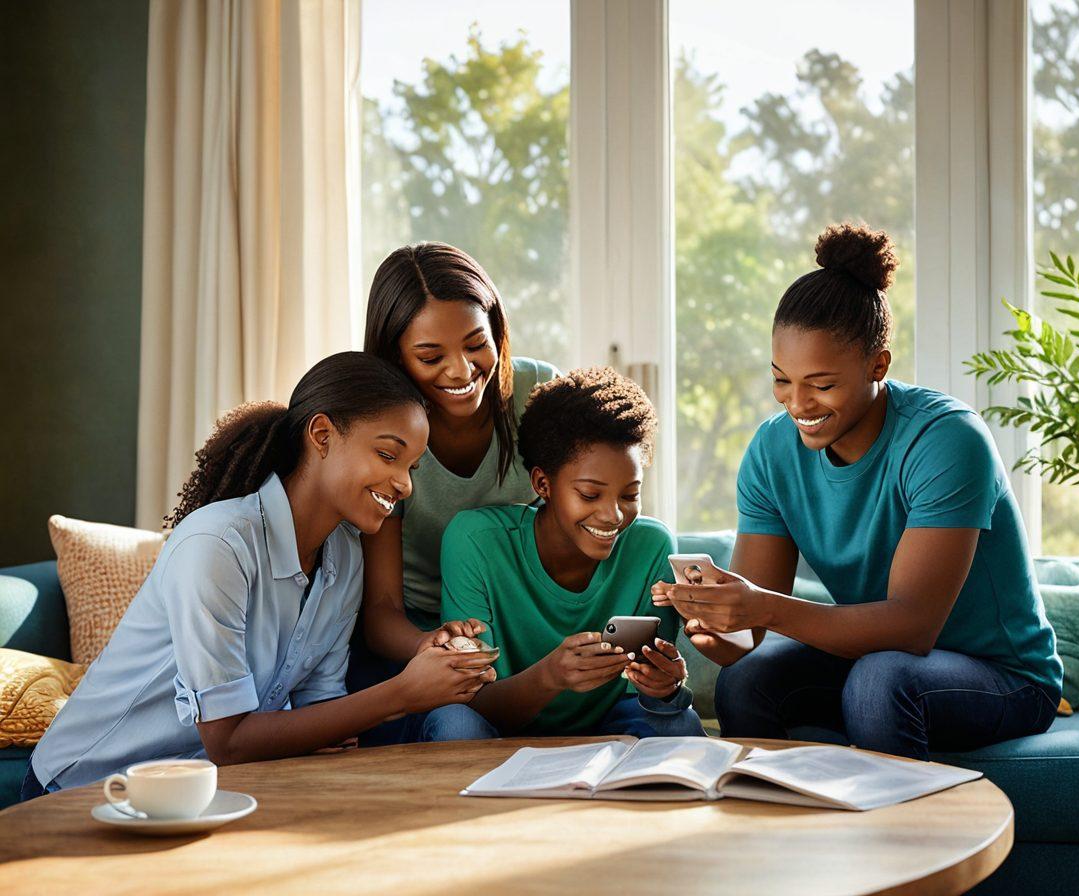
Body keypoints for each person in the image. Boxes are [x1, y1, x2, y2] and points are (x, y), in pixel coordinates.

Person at [654, 223, 1062, 760]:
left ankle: (900, 842)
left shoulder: (946, 440)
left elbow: (912, 627)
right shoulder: (773, 452)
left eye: (821, 385)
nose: (797, 404)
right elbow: (746, 640)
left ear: (878, 364)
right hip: (877, 659)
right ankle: (768, 835)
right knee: (747, 681)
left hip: (1003, 675)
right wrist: (720, 627)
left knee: (880, 682)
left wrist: (762, 609)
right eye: (782, 380)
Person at [23, 352, 495, 799]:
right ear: (323, 436)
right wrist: (403, 693)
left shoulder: (346, 556)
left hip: (202, 786)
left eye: (412, 466)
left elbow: (320, 712)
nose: (405, 484)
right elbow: (228, 741)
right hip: (85, 784)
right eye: (389, 456)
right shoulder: (218, 545)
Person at [423, 367, 706, 740]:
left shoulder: (651, 546)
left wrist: (665, 687)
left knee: (680, 721)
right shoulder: (476, 541)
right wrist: (550, 676)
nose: (614, 515)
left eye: (629, 494)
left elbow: (644, 701)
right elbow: (471, 699)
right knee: (453, 724)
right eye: (590, 494)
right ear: (543, 483)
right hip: (501, 723)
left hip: (610, 726)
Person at [349, 242, 558, 742]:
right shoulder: (383, 428)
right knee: (456, 728)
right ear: (395, 357)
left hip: (514, 622)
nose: (462, 371)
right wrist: (431, 644)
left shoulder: (536, 392)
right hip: (418, 636)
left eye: (475, 344)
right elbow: (380, 610)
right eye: (430, 356)